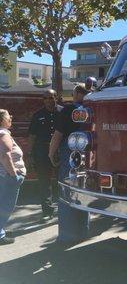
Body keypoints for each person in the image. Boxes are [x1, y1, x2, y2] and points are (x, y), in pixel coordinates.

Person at [48, 84, 90, 244]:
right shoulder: (93, 109)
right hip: (88, 156)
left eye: (73, 93)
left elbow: (58, 135)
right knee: (83, 193)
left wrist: (51, 153)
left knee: (66, 194)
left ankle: (66, 236)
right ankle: (83, 231)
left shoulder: (68, 110)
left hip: (70, 155)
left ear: (78, 93)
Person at [28, 89, 63, 220]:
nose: (49, 100)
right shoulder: (38, 115)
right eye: (46, 98)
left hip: (60, 151)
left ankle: (64, 209)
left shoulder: (63, 112)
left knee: (63, 181)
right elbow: (32, 135)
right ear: (43, 100)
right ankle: (47, 211)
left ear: (56, 97)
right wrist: (30, 154)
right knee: (44, 182)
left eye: (51, 97)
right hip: (42, 152)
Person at [0, 109, 26, 245]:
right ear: (2, 120)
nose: (11, 117)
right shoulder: (3, 133)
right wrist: (14, 175)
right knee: (6, 206)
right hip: (7, 176)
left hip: (3, 175)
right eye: (8, 116)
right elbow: (5, 155)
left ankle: (1, 230)